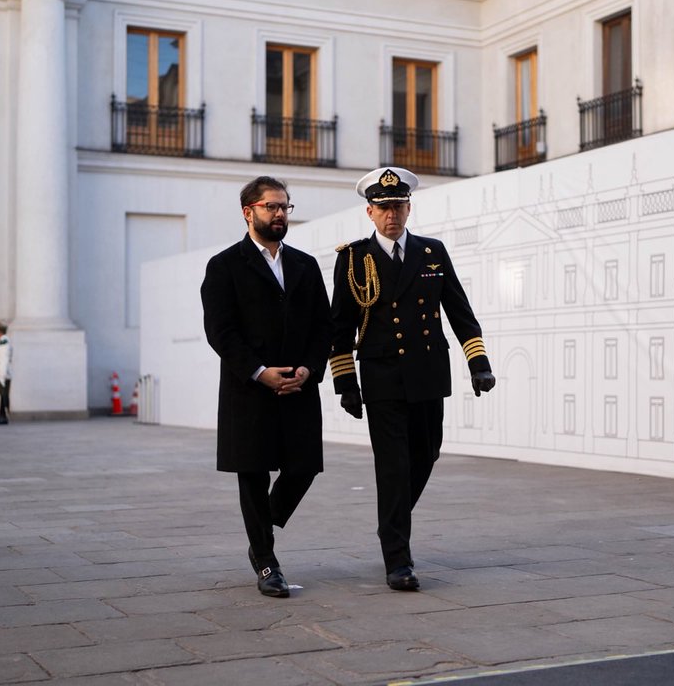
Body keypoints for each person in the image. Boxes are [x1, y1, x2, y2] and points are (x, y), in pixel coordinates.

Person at [329, 167, 496, 591]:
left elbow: (459, 310)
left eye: (399, 206)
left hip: (427, 372)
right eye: (383, 207)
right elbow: (340, 327)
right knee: (393, 466)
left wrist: (478, 362)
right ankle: (398, 559)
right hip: (383, 375)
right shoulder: (353, 258)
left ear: (409, 207)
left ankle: (392, 522)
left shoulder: (432, 252)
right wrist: (346, 383)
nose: (392, 215)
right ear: (369, 212)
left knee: (427, 454)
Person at [200, 176, 332, 598]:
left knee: (304, 466)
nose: (279, 214)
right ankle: (265, 561)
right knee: (253, 475)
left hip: (298, 387)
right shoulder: (223, 266)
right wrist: (260, 371)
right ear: (248, 212)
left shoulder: (305, 265)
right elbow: (221, 332)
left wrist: (309, 370)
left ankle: (264, 523)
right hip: (250, 391)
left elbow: (322, 327)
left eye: (284, 207)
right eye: (271, 206)